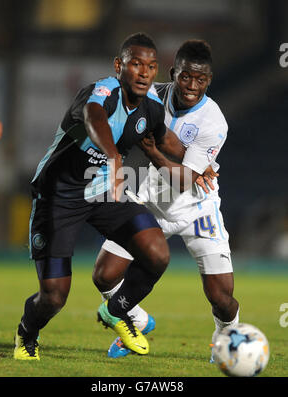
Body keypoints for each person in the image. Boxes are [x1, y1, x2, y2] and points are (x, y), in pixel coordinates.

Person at [13, 33, 206, 361]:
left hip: (105, 191)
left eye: (151, 66)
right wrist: (114, 157)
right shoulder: (99, 93)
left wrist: (202, 163)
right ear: (119, 66)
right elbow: (93, 118)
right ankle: (26, 333)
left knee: (157, 253)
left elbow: (167, 139)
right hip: (58, 195)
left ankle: (118, 311)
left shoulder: (152, 106)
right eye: (136, 64)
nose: (145, 72)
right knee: (54, 297)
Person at [92, 39, 240, 360]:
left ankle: (226, 337)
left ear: (209, 81)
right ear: (174, 73)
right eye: (185, 76)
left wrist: (152, 152)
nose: (191, 86)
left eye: (200, 80)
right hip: (148, 200)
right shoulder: (151, 94)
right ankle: (135, 320)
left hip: (196, 207)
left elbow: (187, 180)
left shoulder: (214, 122)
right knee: (104, 274)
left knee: (221, 296)